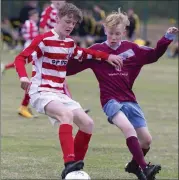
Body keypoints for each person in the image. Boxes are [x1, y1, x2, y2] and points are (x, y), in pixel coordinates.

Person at [66, 8, 178, 180]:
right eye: (110, 33)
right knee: (127, 128)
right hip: (110, 100)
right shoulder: (96, 51)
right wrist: (56, 61)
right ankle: (145, 168)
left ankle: (134, 165)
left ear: (124, 32)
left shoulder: (132, 49)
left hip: (129, 100)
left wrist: (167, 38)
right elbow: (72, 68)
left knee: (146, 140)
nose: (113, 37)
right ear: (105, 30)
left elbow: (154, 55)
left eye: (117, 34)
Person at [14, 3, 123, 179]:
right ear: (57, 19)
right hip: (41, 92)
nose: (70, 26)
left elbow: (85, 53)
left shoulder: (69, 43)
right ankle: (69, 164)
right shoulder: (43, 40)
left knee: (88, 124)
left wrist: (107, 56)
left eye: (73, 23)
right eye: (67, 21)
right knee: (66, 115)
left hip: (59, 93)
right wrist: (23, 77)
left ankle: (75, 169)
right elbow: (21, 58)